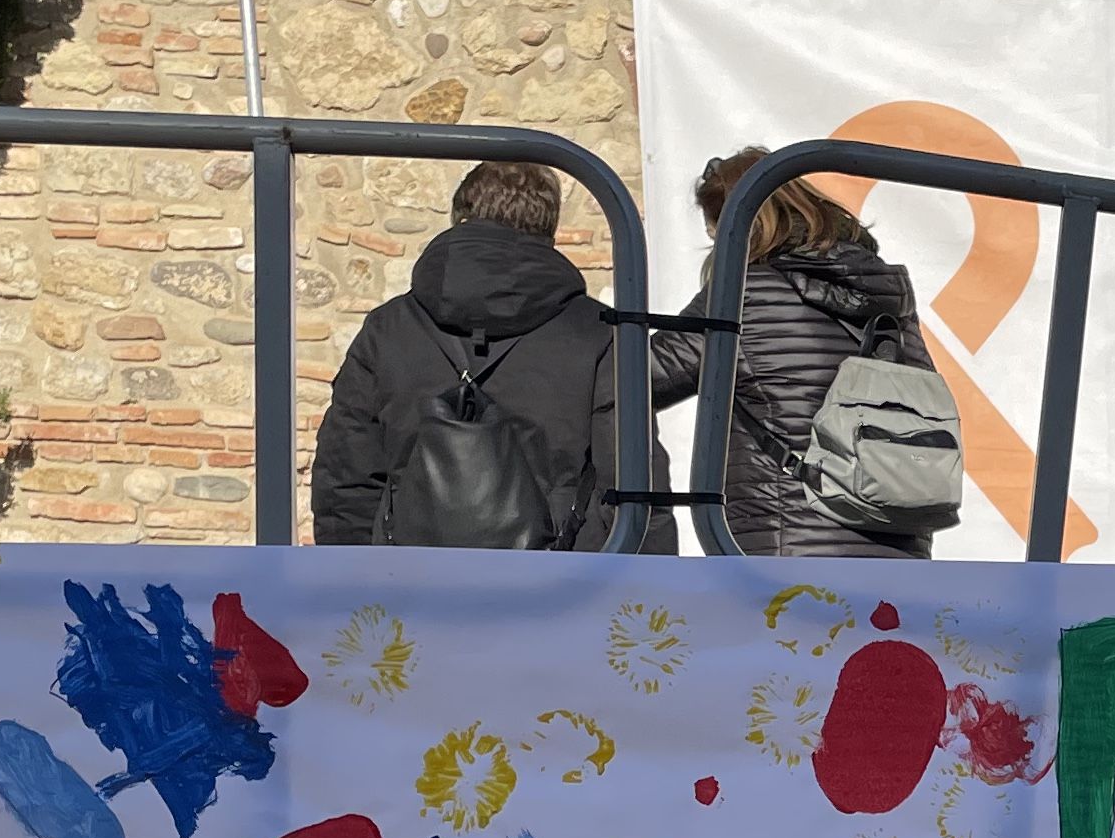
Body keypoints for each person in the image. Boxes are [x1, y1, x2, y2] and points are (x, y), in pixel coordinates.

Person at [311, 159, 694, 549]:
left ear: (460, 219)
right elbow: (634, 484)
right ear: (550, 231)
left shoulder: (388, 329)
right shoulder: (598, 332)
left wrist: (353, 587)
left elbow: (345, 477)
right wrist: (642, 593)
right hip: (558, 585)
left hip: (411, 584)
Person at [657, 149, 942, 560]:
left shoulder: (743, 293)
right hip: (899, 553)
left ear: (737, 226)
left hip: (787, 558)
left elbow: (635, 379)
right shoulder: (889, 297)